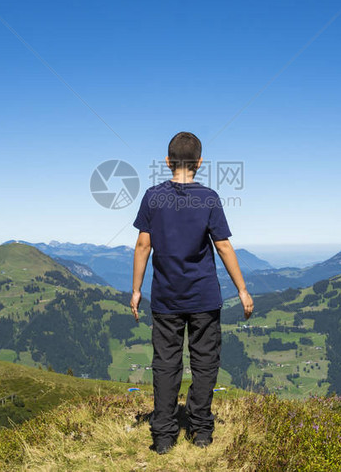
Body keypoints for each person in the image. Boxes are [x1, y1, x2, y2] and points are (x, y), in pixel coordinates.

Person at [130, 131, 254, 454]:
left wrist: (135, 290)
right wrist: (242, 290)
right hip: (204, 298)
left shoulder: (152, 198)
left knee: (166, 364)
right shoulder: (209, 199)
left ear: (168, 161)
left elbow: (143, 245)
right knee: (204, 362)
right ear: (200, 163)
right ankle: (200, 430)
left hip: (166, 298)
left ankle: (164, 436)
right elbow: (223, 246)